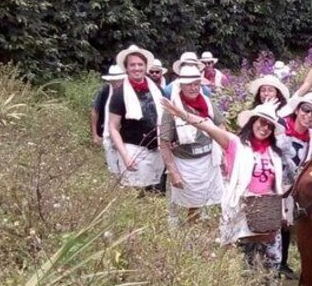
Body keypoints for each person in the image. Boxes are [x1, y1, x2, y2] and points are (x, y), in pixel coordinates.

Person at [161, 98, 289, 286]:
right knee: (246, 254)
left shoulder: (273, 153)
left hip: (268, 208)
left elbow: (277, 183)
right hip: (243, 207)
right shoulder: (235, 144)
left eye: (269, 125)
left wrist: (282, 210)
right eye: (261, 122)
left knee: (272, 256)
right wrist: (182, 114)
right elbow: (208, 127)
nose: (264, 128)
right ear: (252, 121)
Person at [160, 65, 225, 223]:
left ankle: (204, 231)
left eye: (196, 83)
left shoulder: (207, 103)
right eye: (189, 84)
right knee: (188, 204)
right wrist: (173, 171)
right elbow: (164, 142)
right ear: (181, 85)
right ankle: (188, 236)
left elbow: (221, 126)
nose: (193, 87)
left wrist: (224, 153)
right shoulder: (172, 109)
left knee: (213, 202)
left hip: (209, 161)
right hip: (185, 163)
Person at [275, 91, 312, 277]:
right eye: (306, 110)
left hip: (292, 184)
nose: (309, 116)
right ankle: (267, 265)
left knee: (286, 224)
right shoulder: (281, 126)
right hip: (273, 181)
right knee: (270, 223)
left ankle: (281, 263)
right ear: (298, 109)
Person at [108, 45, 165, 191]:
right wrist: (125, 155)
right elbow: (113, 127)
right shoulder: (119, 94)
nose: (136, 68)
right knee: (135, 194)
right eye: (132, 65)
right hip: (133, 150)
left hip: (156, 149)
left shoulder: (156, 90)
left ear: (146, 67)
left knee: (155, 192)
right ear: (126, 68)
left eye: (140, 64)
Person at [246, 40, 312, 110]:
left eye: (270, 90)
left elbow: (306, 84)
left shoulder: (286, 108)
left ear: (277, 94)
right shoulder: (254, 113)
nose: (266, 93)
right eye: (263, 90)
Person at [90, 64, 127, 175]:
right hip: (108, 134)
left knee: (126, 168)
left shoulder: (129, 92)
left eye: (118, 81)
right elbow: (95, 111)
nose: (116, 84)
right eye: (113, 81)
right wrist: (95, 134)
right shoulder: (105, 91)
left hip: (126, 137)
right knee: (113, 169)